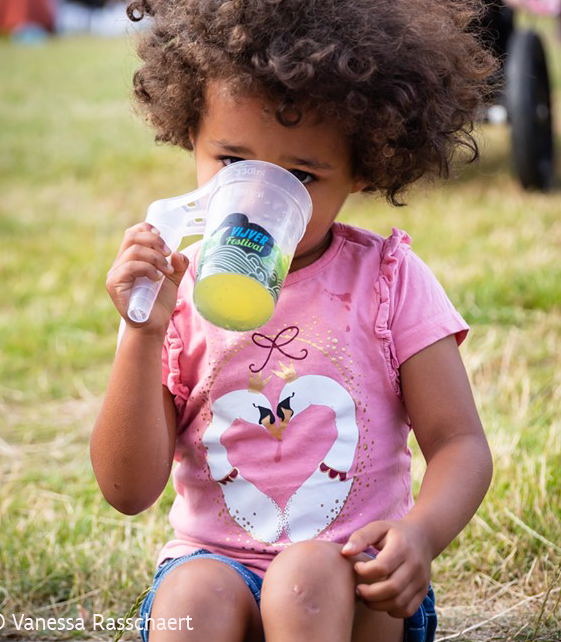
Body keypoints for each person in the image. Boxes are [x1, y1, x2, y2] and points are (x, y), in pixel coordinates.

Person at [90, 1, 495, 641]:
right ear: (189, 134)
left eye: (300, 176)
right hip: (220, 568)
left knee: (304, 578)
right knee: (193, 593)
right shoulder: (170, 292)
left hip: (353, 591)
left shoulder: (387, 280)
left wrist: (417, 535)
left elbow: (460, 444)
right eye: (231, 165)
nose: (258, 201)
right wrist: (142, 334)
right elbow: (127, 489)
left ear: (364, 167)